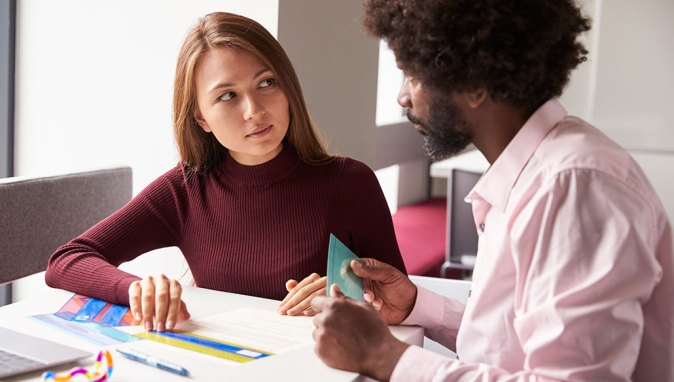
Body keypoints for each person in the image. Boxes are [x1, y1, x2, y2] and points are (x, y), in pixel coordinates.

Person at [311, 1, 674, 381]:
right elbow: (513, 343)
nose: (403, 97)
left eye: (412, 76)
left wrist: (384, 357)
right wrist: (417, 306)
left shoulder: (573, 186)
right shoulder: (538, 170)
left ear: (473, 85)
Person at [45, 12, 406, 333]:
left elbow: (401, 304)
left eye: (266, 83)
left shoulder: (349, 183)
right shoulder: (185, 189)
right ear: (200, 118)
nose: (254, 110)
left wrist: (349, 291)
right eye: (228, 96)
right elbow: (67, 260)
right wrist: (136, 289)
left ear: (287, 88)